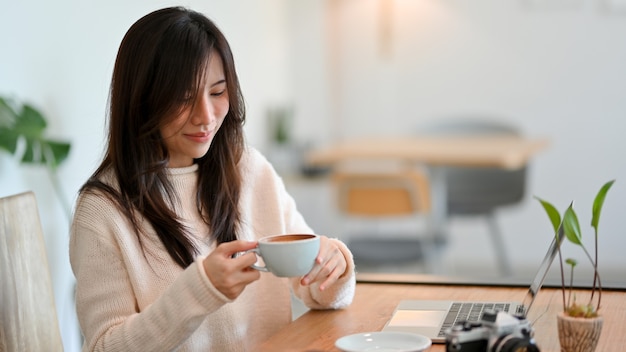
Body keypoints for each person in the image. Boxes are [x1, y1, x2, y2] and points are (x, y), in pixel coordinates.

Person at [69, 6, 355, 351]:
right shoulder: (102, 210)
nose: (206, 116)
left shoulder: (248, 169)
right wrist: (200, 290)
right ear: (143, 100)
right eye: (183, 98)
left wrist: (332, 269)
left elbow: (313, 286)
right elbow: (104, 346)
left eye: (217, 92)